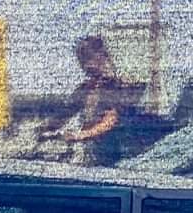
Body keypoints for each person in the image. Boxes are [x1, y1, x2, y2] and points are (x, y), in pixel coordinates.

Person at [36, 35, 134, 166]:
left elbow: (110, 121)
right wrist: (42, 129)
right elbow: (63, 114)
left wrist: (80, 135)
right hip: (88, 150)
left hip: (109, 154)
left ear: (102, 57)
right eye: (82, 60)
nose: (86, 65)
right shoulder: (84, 89)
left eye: (89, 58)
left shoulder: (113, 86)